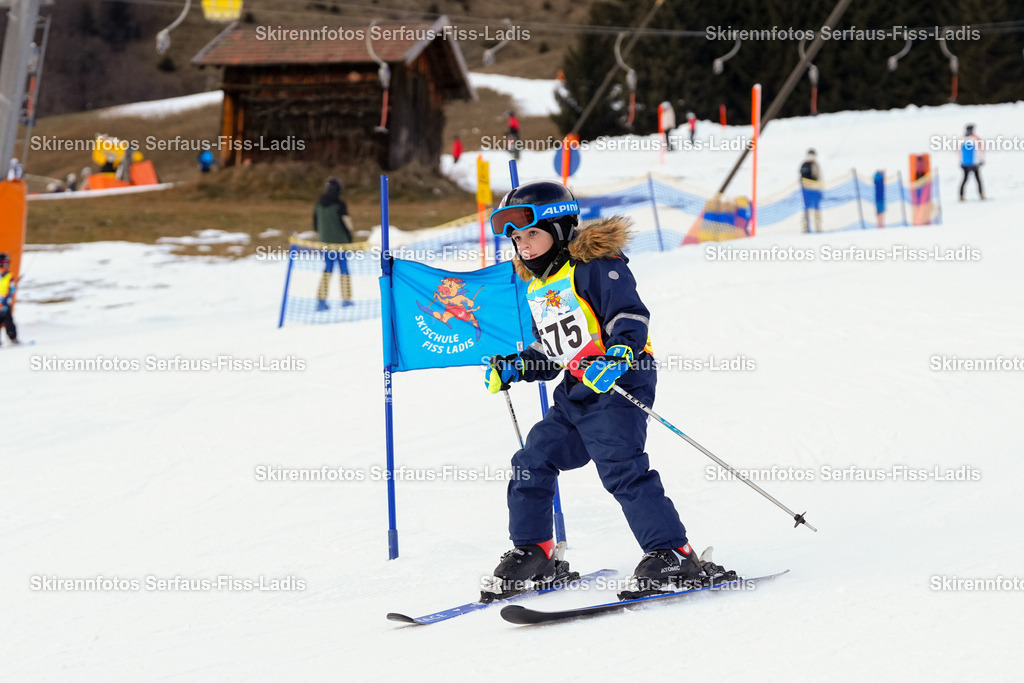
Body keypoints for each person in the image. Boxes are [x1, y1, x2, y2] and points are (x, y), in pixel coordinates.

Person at [481, 180, 734, 603]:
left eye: (531, 234)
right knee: (531, 460)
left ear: (559, 228)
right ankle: (535, 552)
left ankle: (673, 554)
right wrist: (518, 365)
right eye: (516, 239)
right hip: (577, 388)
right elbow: (555, 350)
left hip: (621, 381)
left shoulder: (597, 266)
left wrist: (618, 355)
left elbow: (628, 316)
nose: (522, 245)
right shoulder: (540, 285)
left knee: (620, 466)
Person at [313, 177, 354, 310]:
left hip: (325, 244)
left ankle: (321, 300)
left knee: (327, 270)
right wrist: (349, 237)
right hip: (340, 244)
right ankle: (346, 300)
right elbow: (348, 224)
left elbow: (315, 225)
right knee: (344, 271)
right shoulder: (339, 204)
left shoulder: (319, 204)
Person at [799, 148, 823, 233]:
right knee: (808, 209)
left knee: (815, 210)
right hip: (809, 191)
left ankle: (817, 227)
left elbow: (818, 177)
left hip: (813, 190)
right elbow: (803, 177)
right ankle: (807, 227)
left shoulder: (814, 164)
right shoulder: (806, 165)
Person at [959, 124, 985, 201]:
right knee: (978, 180)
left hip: (964, 164)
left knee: (964, 180)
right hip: (974, 164)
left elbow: (958, 152)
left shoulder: (962, 139)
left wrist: (960, 162)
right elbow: (979, 151)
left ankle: (961, 196)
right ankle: (981, 195)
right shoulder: (975, 139)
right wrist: (981, 160)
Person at [0, 253, 20, 346]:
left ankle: (13, 339)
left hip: (5, 304)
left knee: (8, 321)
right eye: (4, 264)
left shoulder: (9, 276)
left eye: (7, 264)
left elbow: (12, 290)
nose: (6, 266)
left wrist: (5, 300)